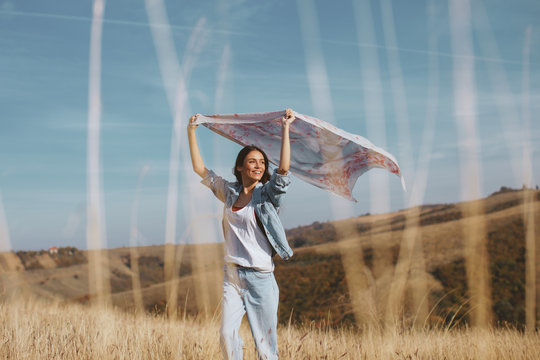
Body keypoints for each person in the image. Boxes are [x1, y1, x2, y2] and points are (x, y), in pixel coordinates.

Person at [187, 109, 296, 360]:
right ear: (240, 166)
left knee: (265, 347)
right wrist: (191, 131)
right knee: (226, 335)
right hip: (233, 275)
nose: (258, 166)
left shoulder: (267, 195)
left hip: (260, 277)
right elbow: (199, 169)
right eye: (252, 161)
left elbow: (283, 171)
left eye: (262, 163)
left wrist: (285, 128)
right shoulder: (229, 192)